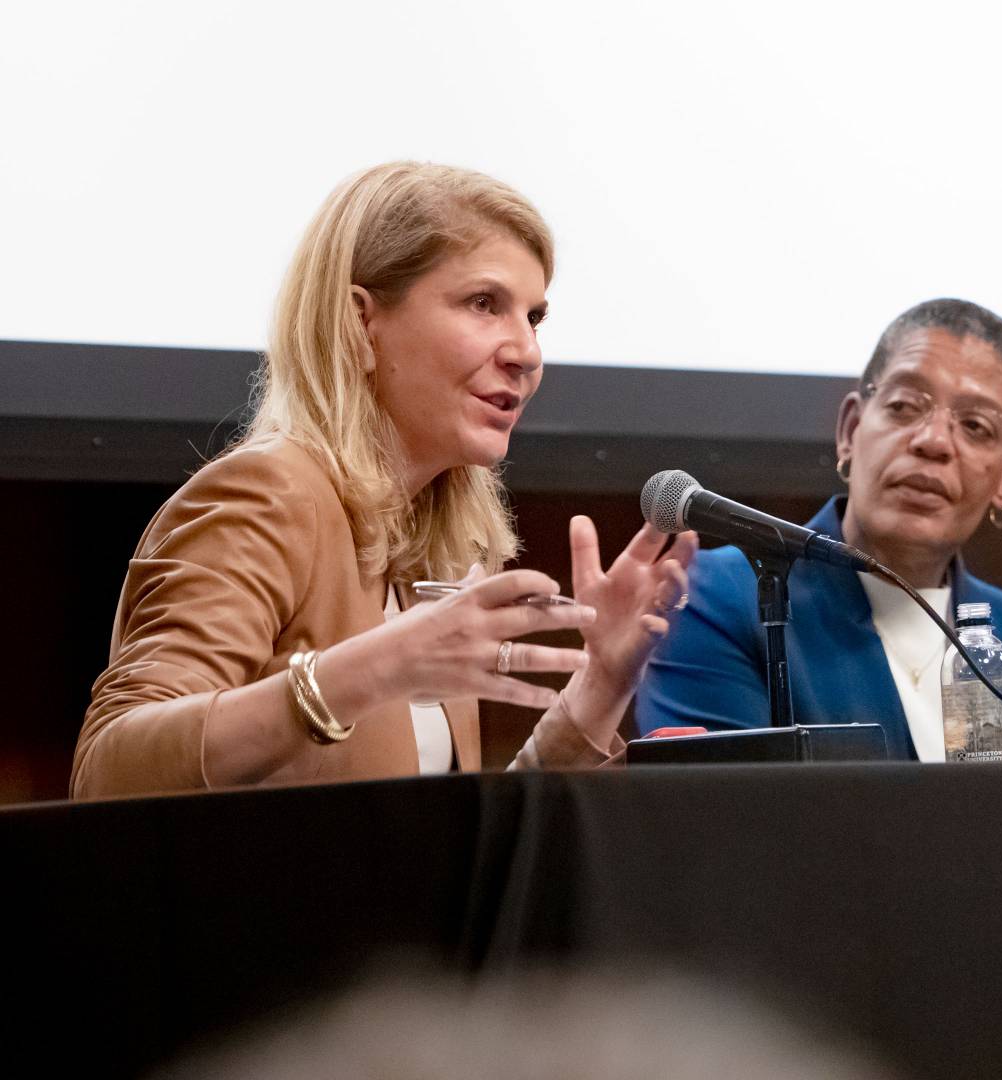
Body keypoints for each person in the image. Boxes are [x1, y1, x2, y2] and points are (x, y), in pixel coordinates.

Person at [74, 162, 695, 798]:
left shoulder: (425, 544)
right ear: (360, 322)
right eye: (484, 304)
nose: (526, 353)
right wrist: (366, 671)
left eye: (532, 317)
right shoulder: (267, 496)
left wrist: (599, 689)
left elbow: (440, 849)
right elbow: (107, 772)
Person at [636, 299, 1002, 759]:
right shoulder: (714, 597)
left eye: (975, 426)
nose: (933, 442)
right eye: (903, 406)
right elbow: (717, 819)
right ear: (851, 429)